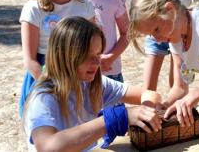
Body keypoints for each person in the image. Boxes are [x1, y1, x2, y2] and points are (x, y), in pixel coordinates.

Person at [22, 17, 162, 151]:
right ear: (64, 56)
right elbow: (47, 147)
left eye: (98, 54)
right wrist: (111, 120)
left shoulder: (92, 84)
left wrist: (146, 113)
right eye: (87, 56)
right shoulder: (43, 97)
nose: (96, 63)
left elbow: (149, 94)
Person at [18, 0, 96, 117]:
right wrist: (52, 88)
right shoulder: (34, 9)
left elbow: (93, 47)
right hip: (44, 78)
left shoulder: (86, 7)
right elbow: (30, 60)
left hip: (78, 74)